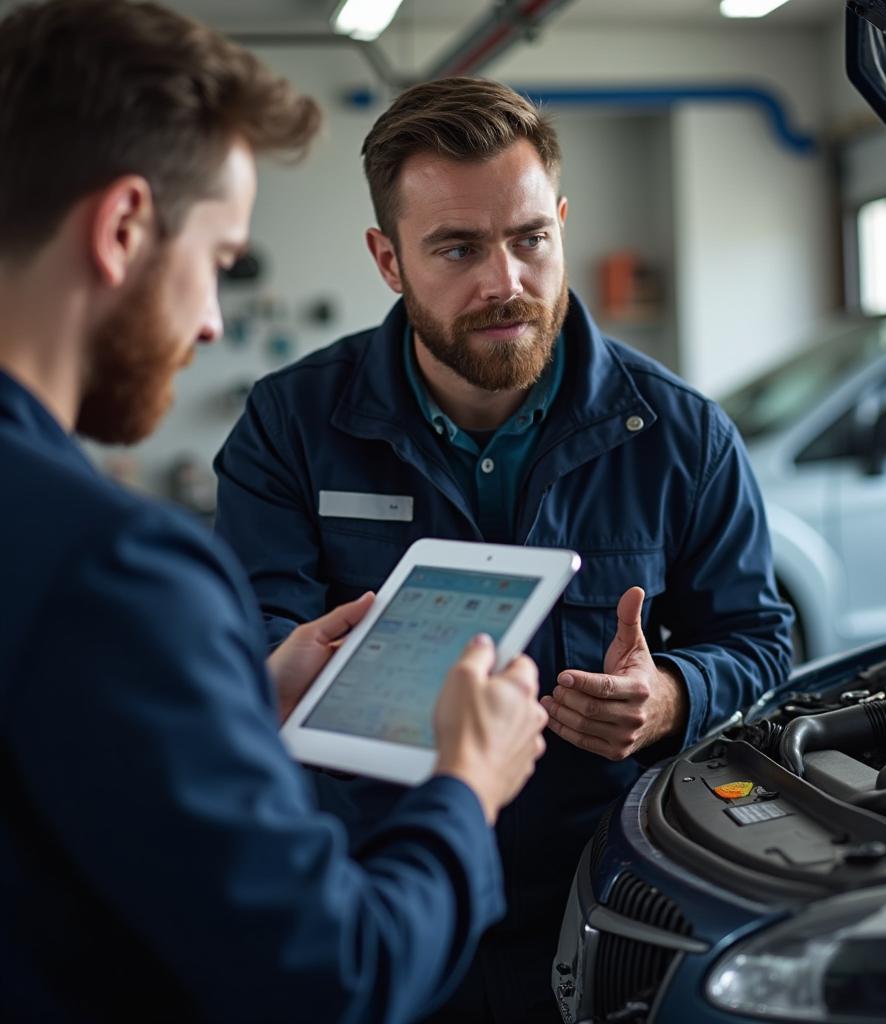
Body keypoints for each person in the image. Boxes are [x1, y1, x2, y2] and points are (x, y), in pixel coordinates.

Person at [0, 4, 549, 1022]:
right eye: (219, 260)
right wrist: (467, 783)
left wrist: (243, 694)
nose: (212, 321)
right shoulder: (117, 568)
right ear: (123, 229)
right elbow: (336, 971)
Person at [214, 77, 794, 1022]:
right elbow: (253, 638)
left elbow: (762, 640)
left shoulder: (681, 434)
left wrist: (674, 695)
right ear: (388, 259)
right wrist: (288, 660)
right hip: (380, 901)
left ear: (562, 221)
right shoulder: (290, 425)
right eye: (457, 248)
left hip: (605, 909)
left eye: (531, 239)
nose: (506, 283)